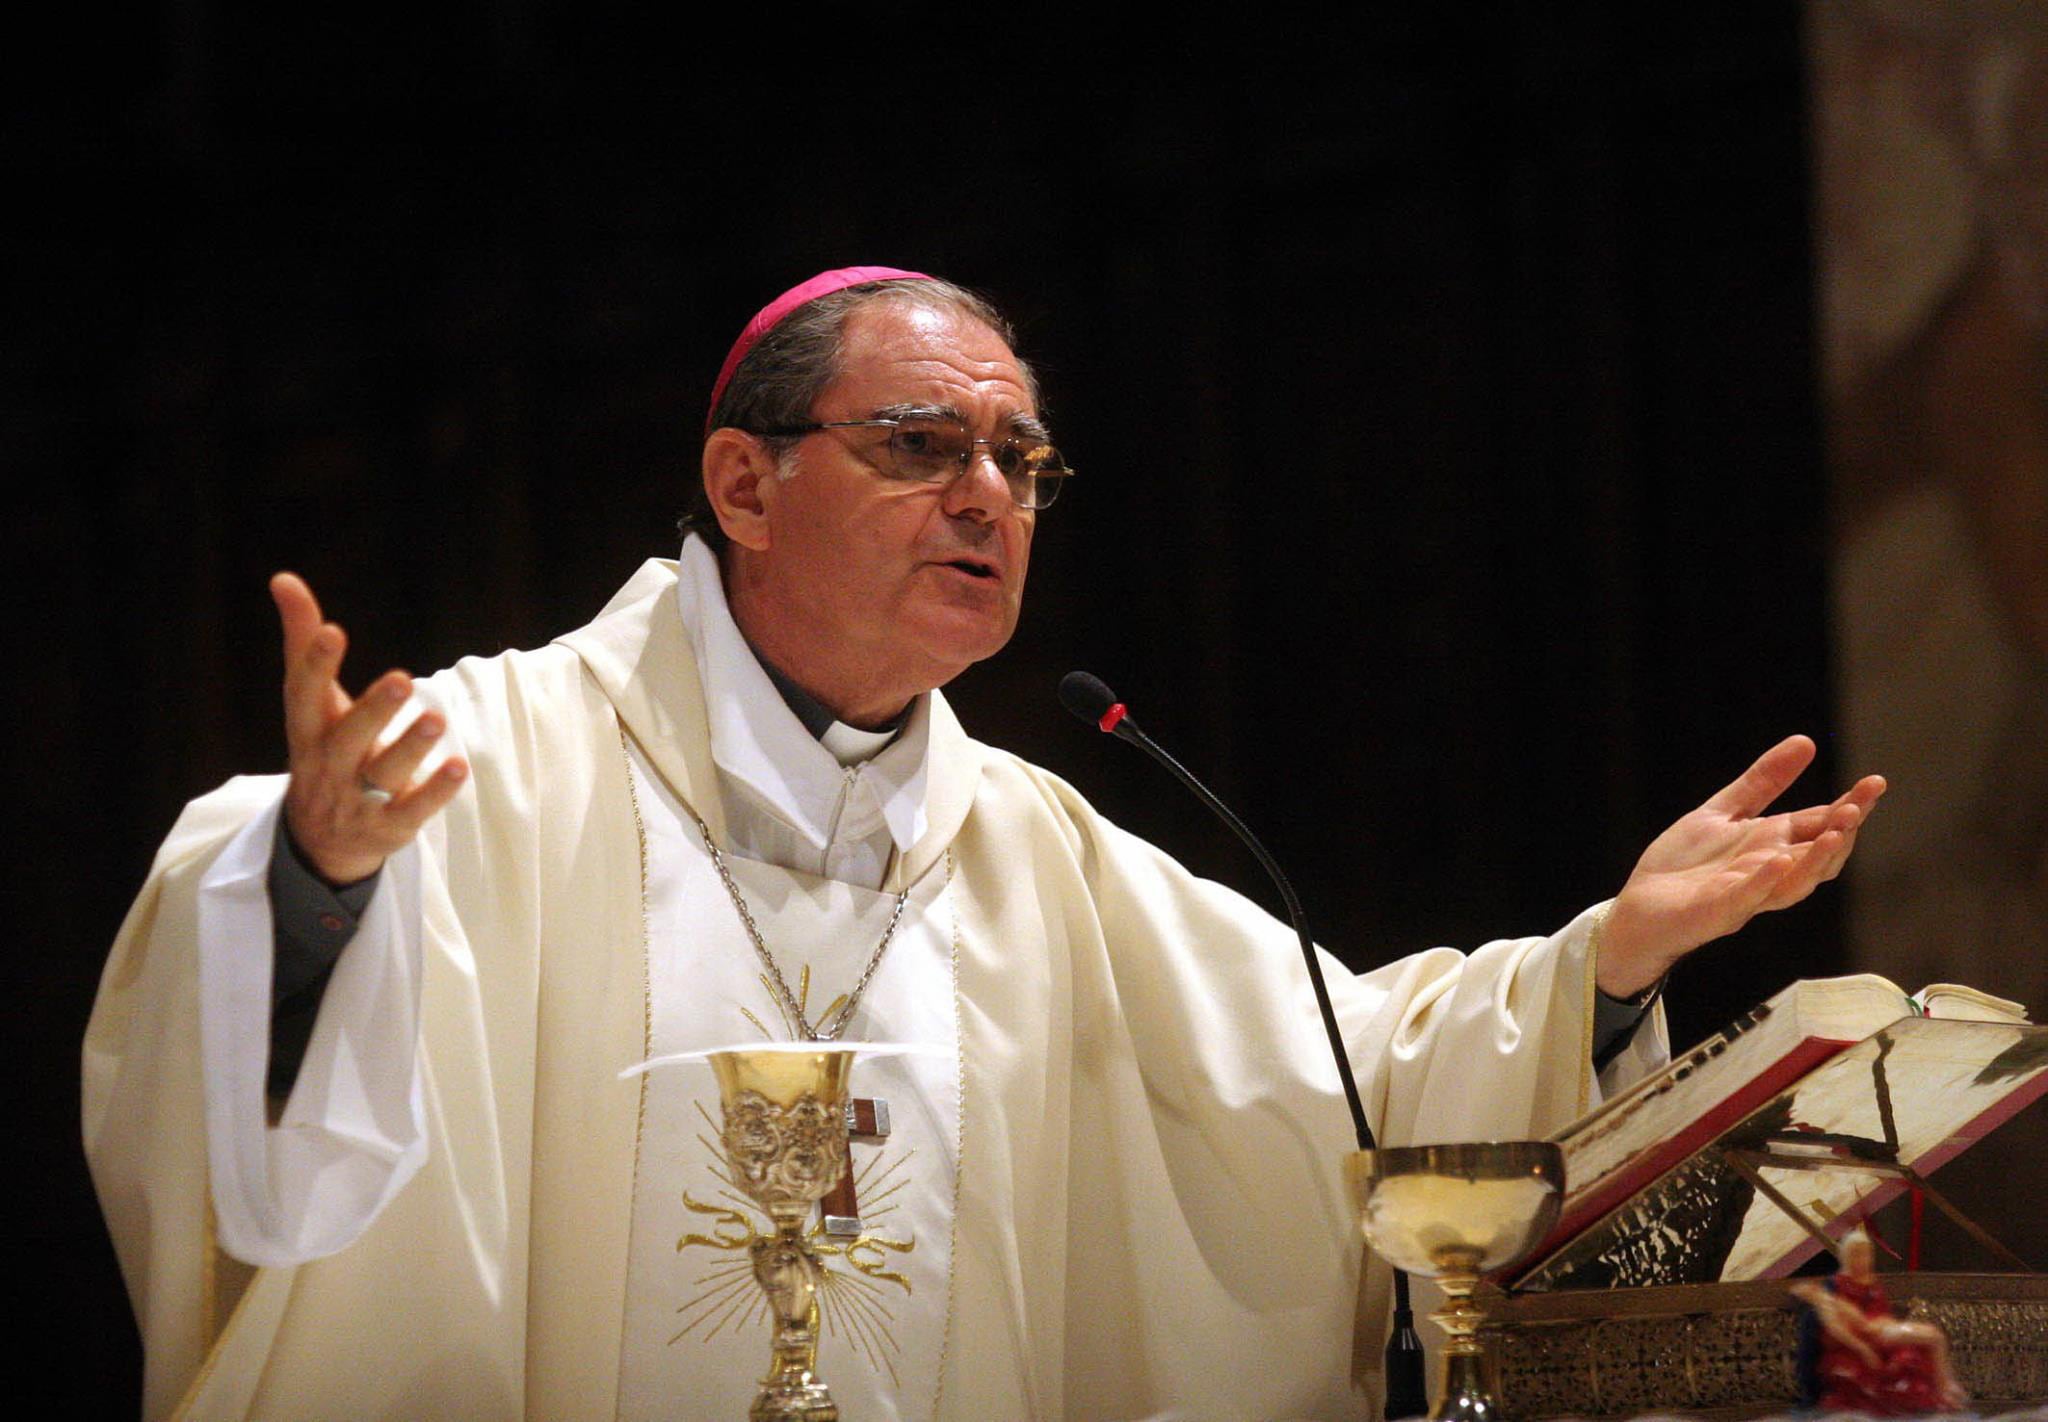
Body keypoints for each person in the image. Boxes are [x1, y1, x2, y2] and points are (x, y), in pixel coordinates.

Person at [84, 267, 1885, 1422]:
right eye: (919, 443)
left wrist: (1611, 954)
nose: (988, 496)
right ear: (741, 483)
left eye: (1020, 461)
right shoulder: (498, 759)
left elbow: (1352, 1078)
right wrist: (316, 876)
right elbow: (244, 949)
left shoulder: (1031, 848)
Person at [1790, 1230, 1968, 1414]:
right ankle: (1946, 1386)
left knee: (1933, 1335)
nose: (1862, 1259)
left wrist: (1884, 1323)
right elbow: (1837, 1327)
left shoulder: (1871, 1282)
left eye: (1866, 1253)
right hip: (1870, 1334)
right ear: (1846, 1255)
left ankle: (1945, 1386)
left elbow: (1882, 1310)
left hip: (1881, 1328)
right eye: (1856, 1253)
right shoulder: (1833, 1292)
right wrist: (1864, 1348)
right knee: (1932, 1337)